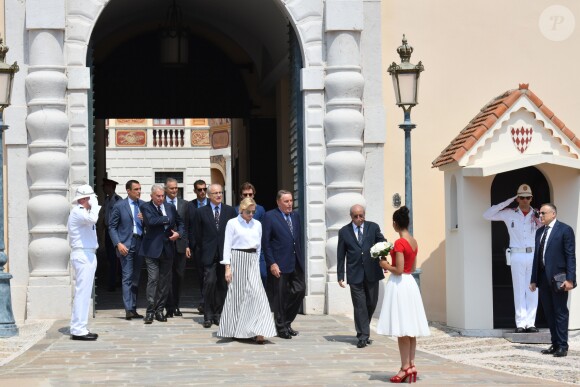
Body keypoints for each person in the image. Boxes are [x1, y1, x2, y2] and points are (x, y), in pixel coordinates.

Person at [376, 206, 430, 383]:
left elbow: (398, 269)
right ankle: (411, 364)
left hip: (400, 284)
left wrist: (385, 265)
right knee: (410, 328)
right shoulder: (413, 241)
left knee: (402, 329)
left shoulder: (399, 243)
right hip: (410, 283)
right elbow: (412, 268)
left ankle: (404, 367)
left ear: (395, 224)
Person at [483, 184, 541, 333]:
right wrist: (508, 201)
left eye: (527, 197)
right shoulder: (509, 213)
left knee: (533, 289)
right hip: (516, 254)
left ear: (531, 198)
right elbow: (487, 214)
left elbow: (546, 226)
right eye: (521, 197)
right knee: (519, 289)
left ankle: (531, 323)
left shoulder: (537, 214)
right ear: (517, 198)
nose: (524, 200)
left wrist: (539, 217)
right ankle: (521, 323)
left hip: (533, 254)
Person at [217, 198, 276, 343]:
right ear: (241, 210)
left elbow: (259, 247)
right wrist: (227, 267)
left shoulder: (257, 224)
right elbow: (227, 245)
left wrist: (256, 264)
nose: (251, 214)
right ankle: (235, 329)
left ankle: (260, 330)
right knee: (237, 297)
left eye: (253, 212)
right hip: (237, 259)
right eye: (248, 212)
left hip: (252, 260)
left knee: (257, 295)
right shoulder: (232, 223)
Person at [530, 203, 577, 358]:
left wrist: (570, 279)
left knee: (560, 312)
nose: (540, 216)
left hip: (559, 279)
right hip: (543, 279)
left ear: (553, 214)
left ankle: (563, 345)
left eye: (543, 213)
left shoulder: (565, 230)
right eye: (539, 213)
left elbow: (570, 256)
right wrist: (533, 279)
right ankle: (555, 343)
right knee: (549, 313)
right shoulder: (539, 232)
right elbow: (536, 258)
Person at [337, 204, 386, 348]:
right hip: (354, 273)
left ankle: (363, 329)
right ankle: (363, 335)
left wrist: (383, 257)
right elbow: (341, 255)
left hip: (372, 271)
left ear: (364, 214)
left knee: (371, 303)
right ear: (351, 216)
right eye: (356, 216)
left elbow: (382, 242)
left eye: (361, 216)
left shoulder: (373, 227)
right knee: (359, 306)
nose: (359, 219)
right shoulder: (344, 231)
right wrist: (340, 274)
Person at [261, 190, 305, 339]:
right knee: (279, 296)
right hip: (279, 263)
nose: (290, 204)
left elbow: (296, 240)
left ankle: (287, 321)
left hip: (295, 262)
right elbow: (265, 243)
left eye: (291, 201)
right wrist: (272, 263)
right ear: (278, 202)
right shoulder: (269, 216)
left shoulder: (296, 216)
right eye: (286, 201)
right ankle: (281, 327)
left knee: (299, 290)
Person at [193, 183, 237, 328]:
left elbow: (234, 233)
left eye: (220, 193)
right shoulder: (200, 212)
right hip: (208, 254)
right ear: (209, 196)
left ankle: (218, 315)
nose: (218, 195)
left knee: (222, 285)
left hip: (225, 255)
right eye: (215, 193)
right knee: (209, 283)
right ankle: (208, 315)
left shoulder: (230, 211)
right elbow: (197, 235)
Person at [139, 184, 184, 324]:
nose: (160, 198)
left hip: (168, 248)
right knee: (153, 279)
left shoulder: (170, 207)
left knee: (165, 281)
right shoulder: (146, 207)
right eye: (158, 196)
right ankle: (150, 311)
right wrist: (166, 219)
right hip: (152, 249)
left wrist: (179, 233)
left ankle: (160, 310)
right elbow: (151, 221)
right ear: (151, 196)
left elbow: (180, 222)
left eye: (162, 196)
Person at [68, 184, 101, 341]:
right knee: (82, 292)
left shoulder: (84, 212)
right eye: (91, 198)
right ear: (84, 199)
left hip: (88, 254)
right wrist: (94, 205)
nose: (93, 201)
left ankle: (80, 326)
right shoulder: (78, 211)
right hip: (82, 255)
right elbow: (93, 218)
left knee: (85, 293)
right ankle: (78, 329)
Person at [109, 180, 145, 320]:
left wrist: (145, 219)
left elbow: (151, 223)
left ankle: (134, 308)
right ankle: (128, 308)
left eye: (140, 189)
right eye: (136, 189)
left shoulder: (143, 205)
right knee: (127, 277)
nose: (139, 191)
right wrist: (118, 243)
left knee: (136, 278)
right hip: (126, 245)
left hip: (140, 243)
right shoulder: (119, 206)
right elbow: (112, 227)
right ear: (128, 191)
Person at [164, 178, 190, 318]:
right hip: (166, 244)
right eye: (171, 188)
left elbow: (187, 226)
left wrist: (187, 244)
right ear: (166, 189)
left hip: (180, 245)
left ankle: (176, 305)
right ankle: (169, 306)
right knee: (167, 276)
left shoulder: (184, 204)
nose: (174, 190)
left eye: (176, 188)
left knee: (179, 276)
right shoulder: (161, 204)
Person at [234, 182, 267, 286]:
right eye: (245, 194)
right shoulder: (235, 210)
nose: (248, 196)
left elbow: (264, 230)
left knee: (262, 275)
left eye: (250, 194)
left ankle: (261, 300)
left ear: (254, 194)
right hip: (241, 250)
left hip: (258, 249)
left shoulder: (260, 210)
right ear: (240, 195)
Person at [97, 177, 122, 292]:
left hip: (116, 232)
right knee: (110, 257)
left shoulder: (118, 200)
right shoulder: (107, 200)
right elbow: (104, 217)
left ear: (110, 187)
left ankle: (115, 281)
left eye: (105, 186)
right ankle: (113, 280)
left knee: (116, 258)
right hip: (108, 231)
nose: (103, 188)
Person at [188, 179, 209, 314]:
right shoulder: (190, 206)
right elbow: (188, 226)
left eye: (204, 189)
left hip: (211, 245)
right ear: (195, 191)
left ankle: (205, 302)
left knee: (210, 275)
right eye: (199, 190)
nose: (202, 192)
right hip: (197, 247)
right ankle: (204, 300)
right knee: (201, 275)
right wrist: (188, 245)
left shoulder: (213, 204)